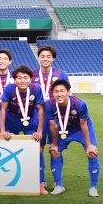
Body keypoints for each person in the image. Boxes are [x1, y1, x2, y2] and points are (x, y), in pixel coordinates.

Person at [46, 79, 100, 197]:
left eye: (62, 91)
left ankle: (93, 187)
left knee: (92, 152)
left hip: (82, 129)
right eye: (56, 91)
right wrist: (54, 143)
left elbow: (83, 124)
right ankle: (59, 185)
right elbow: (53, 125)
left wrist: (88, 145)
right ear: (52, 93)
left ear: (68, 92)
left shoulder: (79, 104)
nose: (59, 94)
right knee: (54, 151)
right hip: (64, 129)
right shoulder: (49, 105)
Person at [0, 65, 45, 192]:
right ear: (14, 80)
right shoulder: (9, 88)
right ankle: (9, 179)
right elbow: (2, 109)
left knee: (38, 149)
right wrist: (3, 130)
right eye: (19, 78)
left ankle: (40, 182)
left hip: (30, 120)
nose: (22, 80)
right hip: (12, 120)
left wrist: (39, 130)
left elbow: (41, 110)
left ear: (30, 79)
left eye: (25, 77)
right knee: (8, 148)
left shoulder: (36, 89)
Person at [33, 44, 70, 190]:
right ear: (38, 58)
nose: (45, 59)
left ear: (53, 58)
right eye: (42, 56)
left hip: (56, 117)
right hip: (37, 117)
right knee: (39, 148)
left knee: (56, 148)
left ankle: (58, 182)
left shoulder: (61, 74)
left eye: (48, 56)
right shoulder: (33, 74)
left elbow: (69, 96)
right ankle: (40, 181)